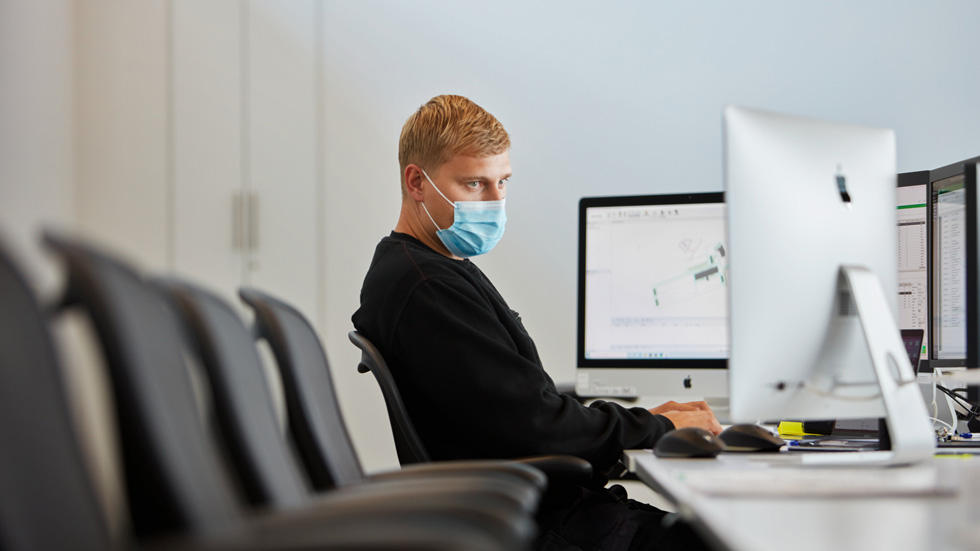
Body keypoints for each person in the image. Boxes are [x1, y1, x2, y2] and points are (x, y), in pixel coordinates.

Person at [352, 94, 721, 551]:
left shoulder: (429, 267)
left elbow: (518, 404)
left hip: (542, 511)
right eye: (474, 185)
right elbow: (536, 426)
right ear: (417, 182)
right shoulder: (427, 285)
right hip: (548, 525)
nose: (494, 201)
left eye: (502, 182)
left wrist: (648, 421)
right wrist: (657, 429)